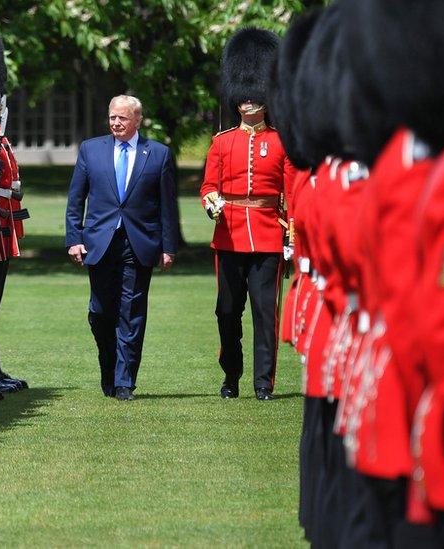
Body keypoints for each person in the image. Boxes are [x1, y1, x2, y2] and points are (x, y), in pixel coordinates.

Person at [200, 29, 297, 401]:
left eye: (255, 96)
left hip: (270, 236)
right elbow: (209, 186)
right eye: (243, 97)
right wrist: (212, 203)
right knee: (227, 312)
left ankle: (263, 383)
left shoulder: (280, 141)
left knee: (264, 316)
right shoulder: (222, 142)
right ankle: (231, 375)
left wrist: (294, 236)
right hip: (229, 235)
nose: (248, 102)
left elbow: (293, 195)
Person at [64, 95, 178, 401]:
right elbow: (76, 199)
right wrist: (74, 238)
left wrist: (168, 247)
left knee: (132, 312)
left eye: (123, 118)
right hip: (99, 243)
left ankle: (125, 380)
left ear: (137, 121)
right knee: (101, 312)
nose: (116, 122)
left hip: (139, 243)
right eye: (113, 117)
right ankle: (109, 370)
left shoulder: (158, 154)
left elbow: (167, 206)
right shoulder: (91, 149)